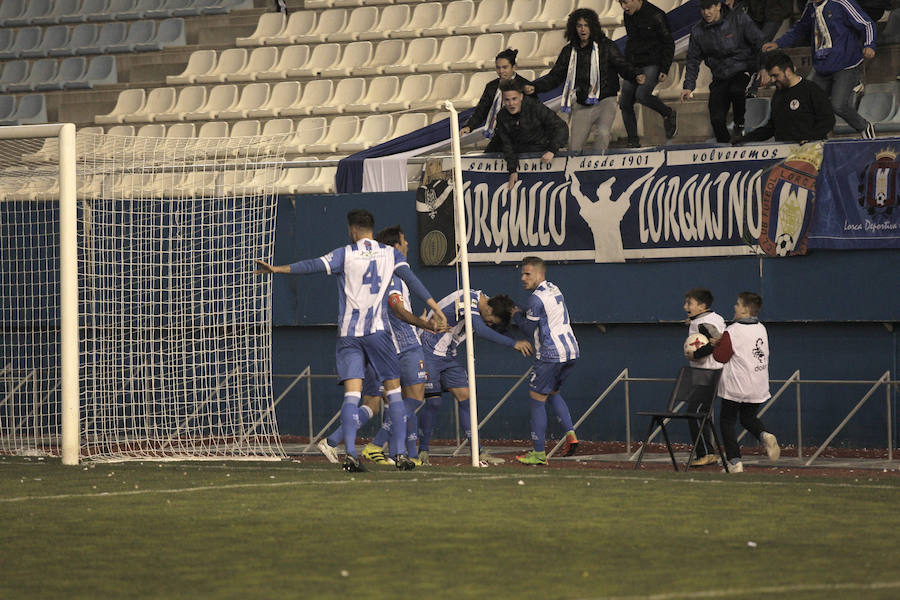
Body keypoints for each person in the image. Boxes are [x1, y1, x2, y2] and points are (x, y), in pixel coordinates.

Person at [255, 209, 447, 472]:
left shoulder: (344, 254)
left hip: (349, 337)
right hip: (379, 335)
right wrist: (434, 307)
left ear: (352, 230)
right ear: (370, 228)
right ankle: (401, 454)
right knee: (394, 393)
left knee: (352, 395)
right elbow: (411, 280)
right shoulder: (391, 254)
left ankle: (351, 455)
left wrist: (278, 269)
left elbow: (311, 265)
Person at [316, 225, 445, 467]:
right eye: (404, 241)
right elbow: (397, 308)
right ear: (395, 247)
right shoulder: (394, 275)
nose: (407, 245)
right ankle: (381, 446)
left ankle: (335, 441)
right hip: (400, 346)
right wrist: (425, 324)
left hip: (372, 344)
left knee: (373, 403)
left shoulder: (375, 272)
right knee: (414, 398)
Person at [417, 289, 533, 465]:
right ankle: (422, 452)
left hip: (448, 353)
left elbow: (502, 315)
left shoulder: (486, 302)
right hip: (428, 349)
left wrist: (523, 312)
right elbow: (480, 329)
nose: (488, 324)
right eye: (490, 321)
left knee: (466, 398)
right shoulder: (468, 299)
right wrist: (513, 343)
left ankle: (478, 453)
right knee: (433, 402)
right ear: (488, 310)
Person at [526, 8, 646, 153]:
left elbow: (622, 65)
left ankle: (597, 168)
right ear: (574, 28)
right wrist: (536, 87)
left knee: (602, 133)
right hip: (582, 102)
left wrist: (635, 74)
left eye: (586, 25)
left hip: (606, 100)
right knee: (574, 146)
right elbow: (555, 76)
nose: (583, 29)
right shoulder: (569, 51)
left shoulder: (606, 46)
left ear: (593, 26)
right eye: (579, 25)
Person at [762, 0, 877, 139]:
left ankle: (864, 126)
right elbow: (799, 28)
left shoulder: (841, 3)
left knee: (838, 105)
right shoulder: (811, 7)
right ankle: (817, 138)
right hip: (822, 67)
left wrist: (870, 44)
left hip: (846, 64)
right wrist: (778, 43)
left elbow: (867, 24)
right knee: (805, 100)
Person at [511, 257, 580, 466]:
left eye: (527, 274)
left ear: (540, 274)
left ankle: (539, 453)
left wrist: (515, 316)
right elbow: (541, 314)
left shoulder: (535, 299)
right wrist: (521, 310)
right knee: (553, 392)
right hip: (571, 351)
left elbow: (528, 329)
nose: (523, 278)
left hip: (551, 355)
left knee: (536, 398)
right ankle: (571, 435)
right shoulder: (553, 288)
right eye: (522, 273)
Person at [710, 292, 780, 473]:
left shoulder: (732, 330)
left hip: (737, 385)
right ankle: (764, 435)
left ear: (745, 309)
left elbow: (721, 357)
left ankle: (734, 462)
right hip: (758, 383)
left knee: (727, 421)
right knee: (748, 418)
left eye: (738, 304)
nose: (735, 307)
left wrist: (717, 344)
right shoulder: (761, 328)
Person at [681, 0, 767, 143]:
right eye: (702, 9)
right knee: (716, 119)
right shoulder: (698, 31)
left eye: (709, 8)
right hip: (719, 77)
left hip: (743, 69)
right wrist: (688, 86)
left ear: (718, 6)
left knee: (737, 90)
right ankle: (725, 146)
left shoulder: (739, 19)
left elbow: (761, 43)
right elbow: (692, 60)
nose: (706, 13)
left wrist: (764, 67)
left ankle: (739, 125)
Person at [733, 51, 836, 144]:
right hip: (783, 153)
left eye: (775, 75)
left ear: (787, 72)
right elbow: (772, 127)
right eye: (771, 76)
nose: (772, 80)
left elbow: (828, 120)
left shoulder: (811, 90)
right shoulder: (778, 94)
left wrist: (810, 138)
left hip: (808, 154)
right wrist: (745, 139)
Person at [618, 0, 678, 146]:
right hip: (635, 64)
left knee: (642, 95)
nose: (624, 7)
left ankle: (668, 113)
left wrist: (664, 68)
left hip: (653, 62)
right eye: (621, 3)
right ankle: (633, 142)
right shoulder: (628, 15)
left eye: (626, 2)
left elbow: (668, 43)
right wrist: (630, 70)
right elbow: (631, 42)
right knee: (625, 101)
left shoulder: (656, 15)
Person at [494, 78, 569, 189]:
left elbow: (561, 127)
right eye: (507, 100)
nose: (511, 104)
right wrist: (512, 170)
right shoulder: (502, 116)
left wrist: (552, 150)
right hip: (522, 160)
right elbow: (507, 144)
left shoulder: (535, 107)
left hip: (543, 156)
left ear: (521, 97)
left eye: (514, 99)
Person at [681, 288, 726, 467]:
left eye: (689, 304)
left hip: (709, 374)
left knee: (694, 413)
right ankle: (709, 452)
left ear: (702, 306)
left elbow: (718, 343)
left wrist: (696, 354)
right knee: (702, 414)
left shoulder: (704, 323)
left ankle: (706, 453)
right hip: (710, 373)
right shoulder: (711, 318)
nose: (685, 307)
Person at [459, 48, 536, 148]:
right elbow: (481, 110)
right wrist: (469, 126)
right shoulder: (491, 86)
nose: (501, 71)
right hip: (498, 135)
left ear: (514, 67)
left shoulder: (525, 86)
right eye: (498, 68)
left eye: (505, 67)